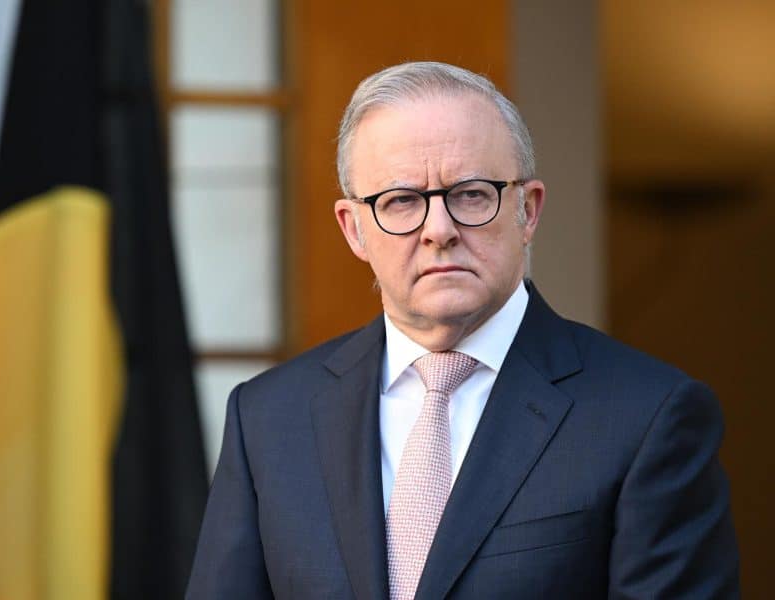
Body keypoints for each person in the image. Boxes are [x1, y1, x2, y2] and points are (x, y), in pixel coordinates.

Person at [185, 61, 739, 599]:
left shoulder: (649, 416)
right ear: (354, 230)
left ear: (528, 211)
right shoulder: (267, 418)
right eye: (400, 201)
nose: (439, 230)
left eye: (471, 194)